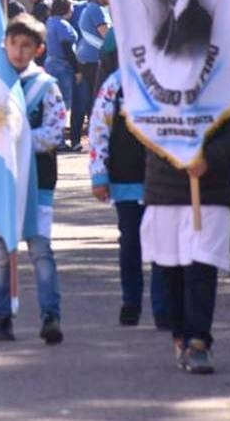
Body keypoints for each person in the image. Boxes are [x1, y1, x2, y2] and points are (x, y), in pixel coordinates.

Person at [142, 99, 230, 374]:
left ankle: (199, 341)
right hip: (165, 191)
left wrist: (208, 158)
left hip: (211, 194)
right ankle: (180, 334)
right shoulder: (155, 85)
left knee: (202, 267)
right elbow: (141, 125)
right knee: (172, 270)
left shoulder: (220, 83)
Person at [0, 15, 66, 343]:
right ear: (4, 44)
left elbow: (56, 131)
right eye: (14, 44)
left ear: (38, 49)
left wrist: (20, 140)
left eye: (26, 46)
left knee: (41, 250)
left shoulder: (46, 86)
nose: (19, 51)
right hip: (1, 184)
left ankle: (51, 316)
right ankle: (2, 317)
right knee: (0, 253)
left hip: (37, 182)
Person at [90, 67, 169, 326]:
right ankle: (131, 301)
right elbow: (99, 127)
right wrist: (99, 174)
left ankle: (163, 307)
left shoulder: (171, 77)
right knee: (131, 240)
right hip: (126, 176)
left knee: (163, 242)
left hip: (165, 177)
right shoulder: (116, 83)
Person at [74, 0, 111, 149]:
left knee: (91, 101)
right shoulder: (97, 10)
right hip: (94, 60)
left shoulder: (92, 8)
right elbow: (107, 36)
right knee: (98, 100)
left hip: (88, 59)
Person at [43, 0, 81, 151]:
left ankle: (53, 138)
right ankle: (59, 140)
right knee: (64, 104)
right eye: (70, 7)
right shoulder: (63, 25)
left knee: (53, 102)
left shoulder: (50, 22)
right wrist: (77, 70)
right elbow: (67, 49)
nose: (72, 10)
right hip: (62, 66)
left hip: (51, 62)